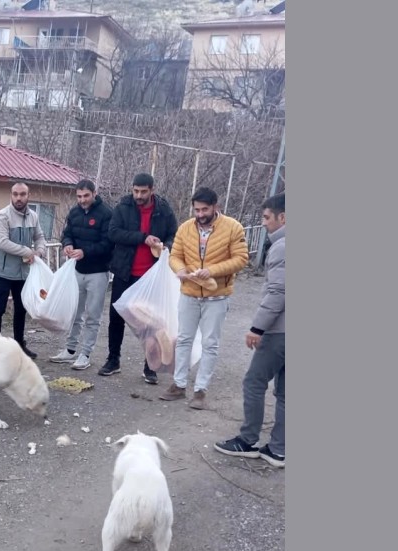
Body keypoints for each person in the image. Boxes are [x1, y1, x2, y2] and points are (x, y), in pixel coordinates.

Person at [158, 186, 249, 409]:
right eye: (197, 210)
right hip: (189, 293)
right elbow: (175, 255)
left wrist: (212, 271)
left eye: (204, 209)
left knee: (210, 343)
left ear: (215, 207)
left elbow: (241, 259)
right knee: (184, 339)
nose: (200, 214)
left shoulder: (233, 227)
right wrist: (179, 269)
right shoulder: (185, 228)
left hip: (217, 296)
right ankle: (179, 385)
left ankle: (200, 390)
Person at [215, 193, 285, 467]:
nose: (264, 223)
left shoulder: (282, 247)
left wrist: (257, 327)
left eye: (267, 217)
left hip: (279, 331)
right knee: (285, 392)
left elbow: (278, 292)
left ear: (283, 217)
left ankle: (247, 440)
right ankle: (278, 449)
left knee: (254, 382)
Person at [98, 172, 179, 381]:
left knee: (151, 322)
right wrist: (143, 238)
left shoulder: (164, 210)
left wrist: (166, 246)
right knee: (117, 317)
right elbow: (113, 232)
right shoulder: (123, 206)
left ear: (152, 190)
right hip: (124, 272)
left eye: (143, 191)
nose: (139, 195)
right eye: (136, 191)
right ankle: (113, 359)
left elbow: (174, 234)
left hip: (151, 276)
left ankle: (150, 366)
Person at [50, 179, 114, 371]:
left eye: (86, 196)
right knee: (74, 312)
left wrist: (85, 251)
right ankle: (70, 350)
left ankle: (85, 353)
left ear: (94, 194)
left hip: (98, 272)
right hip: (77, 270)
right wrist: (67, 244)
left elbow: (108, 243)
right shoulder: (74, 212)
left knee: (93, 315)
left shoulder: (106, 213)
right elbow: (67, 233)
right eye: (79, 196)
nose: (82, 200)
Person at [0, 181, 48, 359]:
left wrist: (39, 251)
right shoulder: (2, 216)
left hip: (23, 272)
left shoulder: (33, 216)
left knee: (21, 309)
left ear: (28, 196)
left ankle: (19, 346)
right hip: (2, 271)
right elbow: (3, 242)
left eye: (22, 194)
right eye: (15, 194)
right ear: (11, 195)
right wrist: (28, 251)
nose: (18, 198)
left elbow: (39, 237)